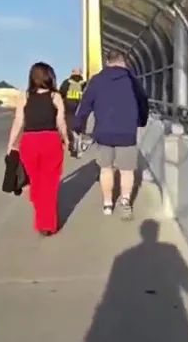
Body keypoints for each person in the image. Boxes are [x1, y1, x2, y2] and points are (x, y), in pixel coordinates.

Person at [73, 48, 149, 220]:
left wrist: (78, 125)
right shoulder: (132, 80)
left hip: (103, 132)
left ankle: (108, 204)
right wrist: (141, 121)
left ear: (107, 62)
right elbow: (143, 102)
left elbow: (85, 104)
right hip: (127, 132)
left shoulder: (97, 80)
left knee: (106, 169)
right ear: (123, 62)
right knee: (126, 170)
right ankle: (125, 202)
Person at [8, 62, 70, 236]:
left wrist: (11, 143)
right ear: (49, 76)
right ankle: (46, 224)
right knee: (49, 183)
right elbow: (60, 121)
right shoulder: (55, 96)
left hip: (29, 141)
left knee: (35, 181)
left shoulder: (25, 97)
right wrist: (66, 139)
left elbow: (18, 121)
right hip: (51, 140)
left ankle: (42, 216)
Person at [59, 67, 87, 157]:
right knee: (81, 124)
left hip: (68, 106)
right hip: (80, 106)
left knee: (69, 125)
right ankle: (80, 140)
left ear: (72, 73)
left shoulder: (66, 82)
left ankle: (72, 144)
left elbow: (61, 93)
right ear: (81, 73)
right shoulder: (84, 84)